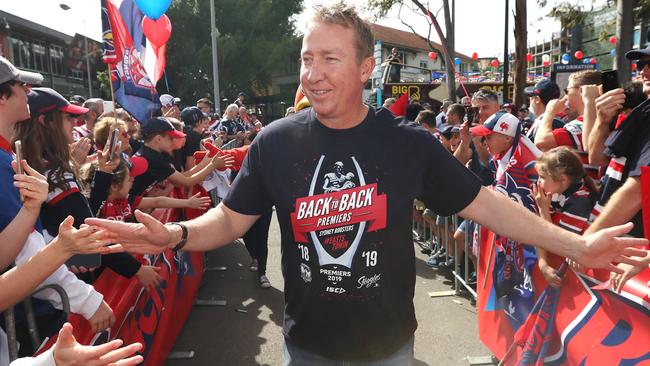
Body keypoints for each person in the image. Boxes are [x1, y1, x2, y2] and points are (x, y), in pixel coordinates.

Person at [87, 3, 647, 364]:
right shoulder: (276, 141)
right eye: (308, 58)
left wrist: (578, 243)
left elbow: (484, 205)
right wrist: (177, 238)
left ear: (365, 66)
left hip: (388, 348)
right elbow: (232, 219)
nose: (313, 72)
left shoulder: (408, 144)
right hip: (306, 347)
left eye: (330, 58)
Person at [532, 147, 598, 288]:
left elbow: (557, 241)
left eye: (543, 177)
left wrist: (543, 210)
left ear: (562, 179)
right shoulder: (555, 191)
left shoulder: (580, 201)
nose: (539, 182)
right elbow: (539, 231)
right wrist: (543, 264)